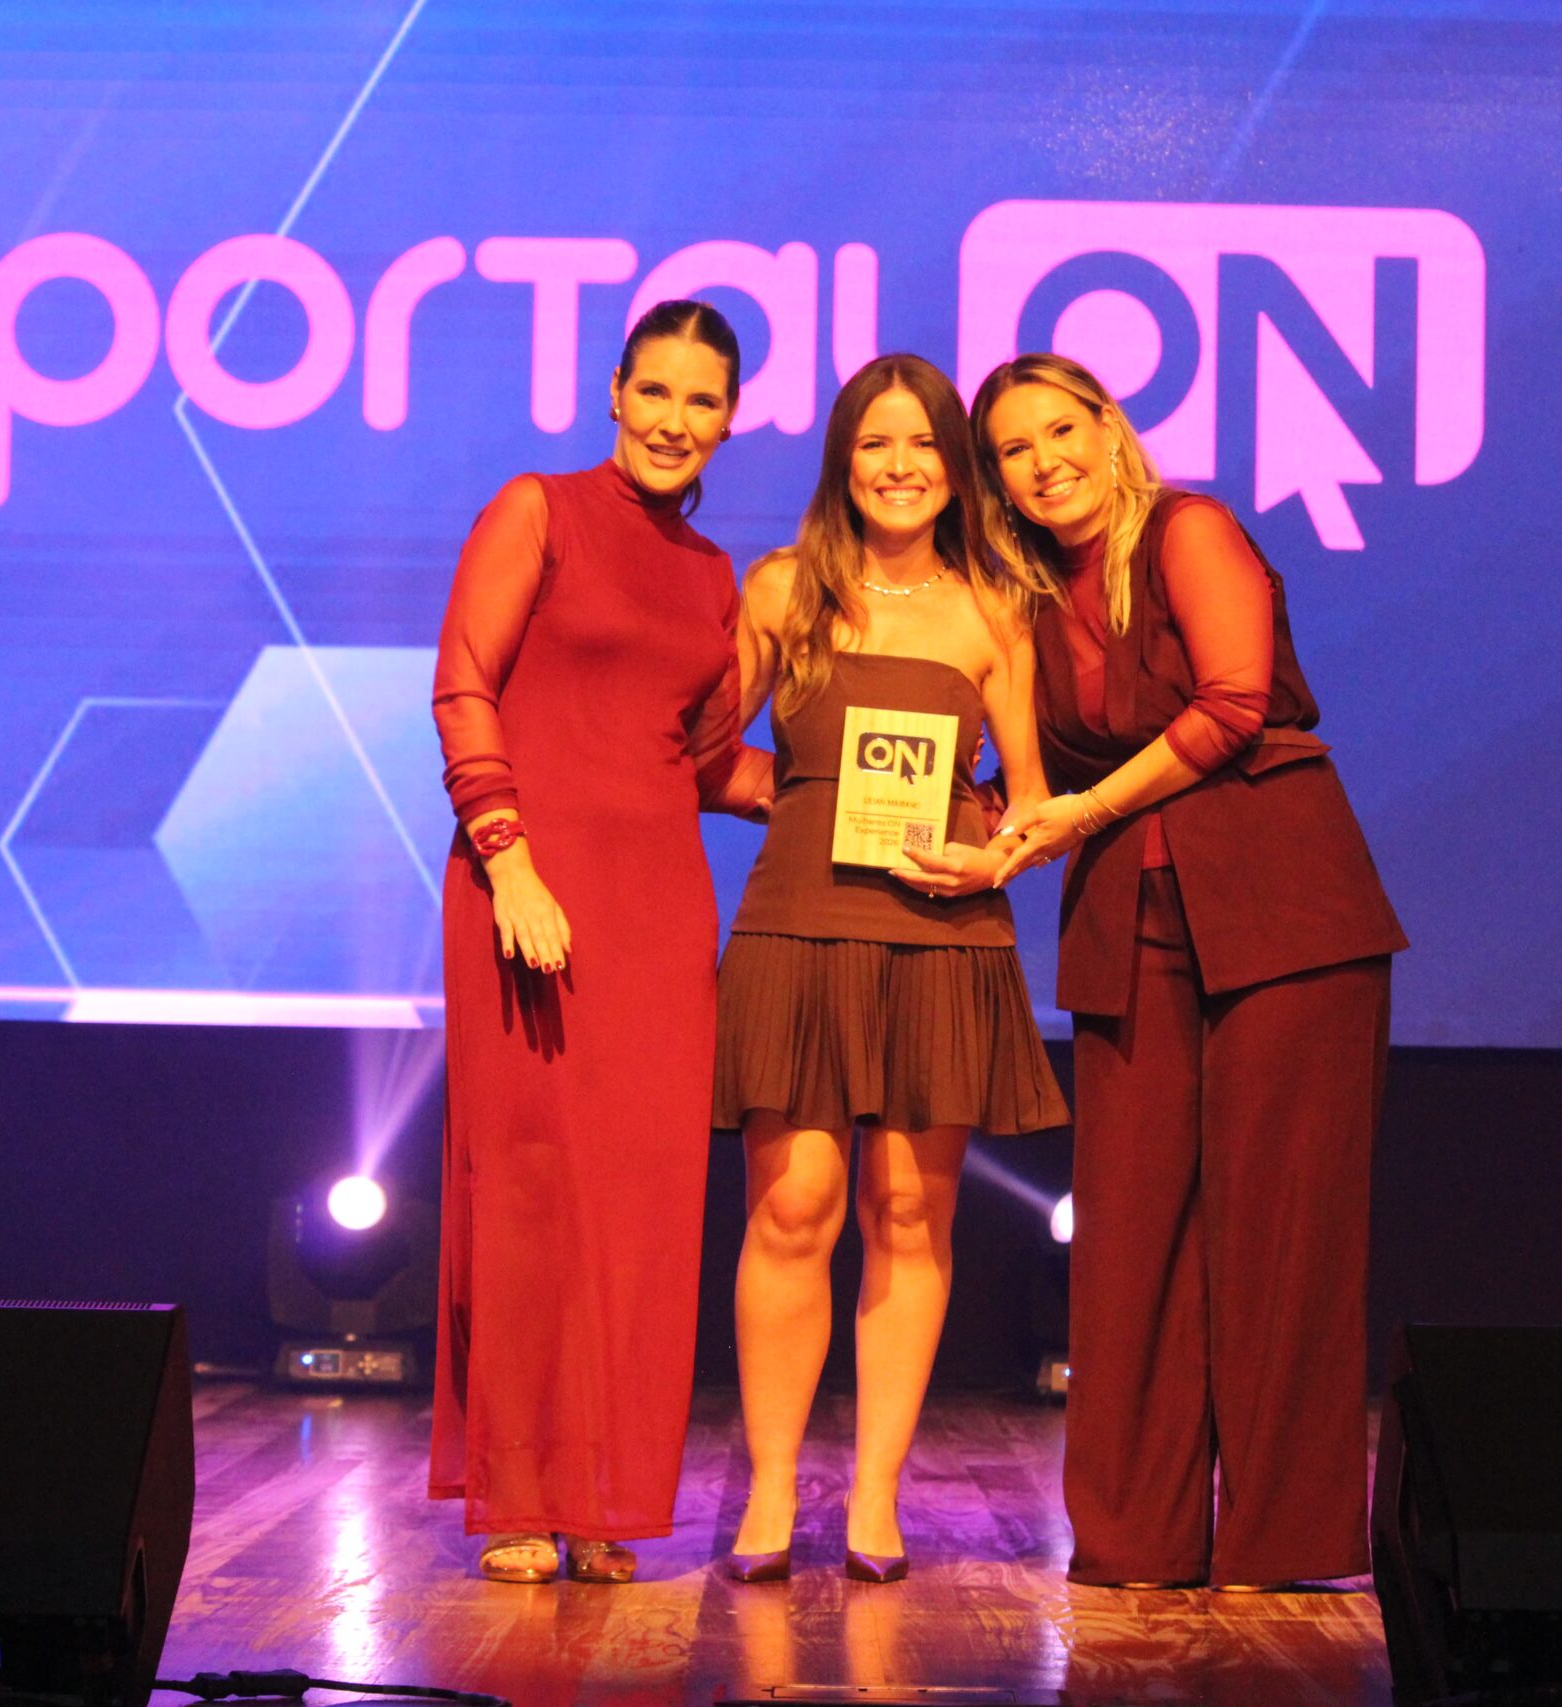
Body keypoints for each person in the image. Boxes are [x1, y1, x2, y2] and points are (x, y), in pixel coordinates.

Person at [972, 353, 1407, 1591]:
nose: (1044, 463)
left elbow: (1230, 708)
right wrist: (964, 833)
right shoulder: (1028, 597)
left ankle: (1283, 1542)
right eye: (1013, 450)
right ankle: (1138, 1538)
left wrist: (1077, 813)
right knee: (1130, 1236)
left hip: (1282, 913)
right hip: (1130, 925)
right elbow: (1036, 786)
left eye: (1061, 430)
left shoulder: (1190, 529)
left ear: (1108, 429)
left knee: (1282, 1235)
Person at [429, 300, 771, 1584]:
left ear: (729, 421)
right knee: (531, 1191)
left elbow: (705, 764)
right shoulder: (539, 509)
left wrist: (871, 791)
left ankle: (604, 1497)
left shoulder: (711, 576)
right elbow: (464, 683)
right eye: (657, 391)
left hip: (658, 914)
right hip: (527, 889)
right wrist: (508, 857)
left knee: (640, 1205)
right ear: (614, 393)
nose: (676, 420)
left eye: (703, 401)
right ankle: (522, 1490)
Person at [715, 353, 1067, 1585]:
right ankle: (770, 1490)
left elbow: (1034, 801)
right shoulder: (782, 588)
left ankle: (874, 1497)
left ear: (957, 470)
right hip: (798, 930)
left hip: (940, 939)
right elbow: (700, 752)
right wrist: (798, 795)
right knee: (791, 1209)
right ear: (843, 462)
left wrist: (989, 855)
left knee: (909, 1215)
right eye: (875, 443)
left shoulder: (994, 609)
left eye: (923, 444)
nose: (901, 465)